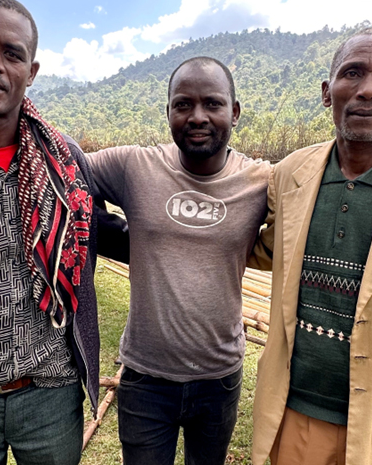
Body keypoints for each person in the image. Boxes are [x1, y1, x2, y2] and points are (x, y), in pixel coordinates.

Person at [0, 0, 127, 465]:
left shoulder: (64, 161)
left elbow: (90, 244)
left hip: (51, 393)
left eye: (12, 54)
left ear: (30, 72)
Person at [87, 56, 271, 465]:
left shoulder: (261, 182)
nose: (197, 116)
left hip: (219, 377)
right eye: (183, 104)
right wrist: (117, 235)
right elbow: (64, 169)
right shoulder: (134, 167)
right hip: (145, 377)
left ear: (235, 112)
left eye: (212, 104)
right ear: (168, 111)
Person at [250, 27, 372, 465]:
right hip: (296, 414)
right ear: (328, 92)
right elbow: (259, 247)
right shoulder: (291, 174)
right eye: (353, 73)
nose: (368, 90)